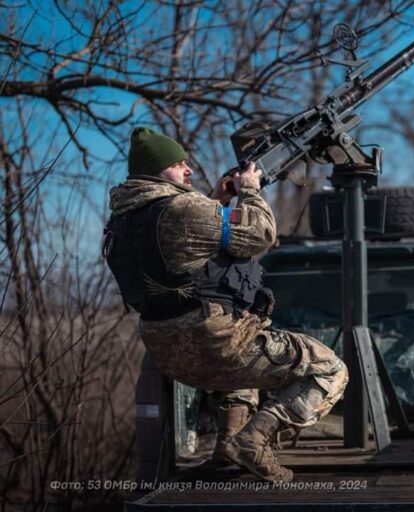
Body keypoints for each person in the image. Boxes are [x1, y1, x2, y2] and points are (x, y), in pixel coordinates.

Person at [103, 127, 348, 482]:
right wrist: (249, 188)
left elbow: (181, 246)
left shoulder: (122, 221)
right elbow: (261, 233)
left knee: (240, 357)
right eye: (177, 164)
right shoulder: (183, 208)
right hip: (216, 342)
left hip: (169, 355)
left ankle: (227, 449)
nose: (187, 170)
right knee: (331, 369)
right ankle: (256, 436)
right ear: (155, 171)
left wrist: (216, 199)